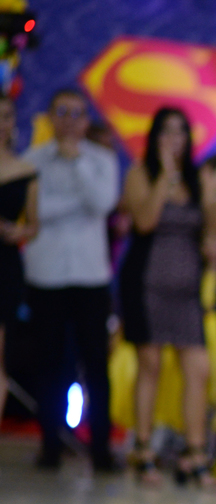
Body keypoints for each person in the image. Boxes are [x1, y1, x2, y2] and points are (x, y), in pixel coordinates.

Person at [119, 107, 216, 486]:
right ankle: (143, 448)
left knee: (198, 368)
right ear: (154, 136)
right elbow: (144, 221)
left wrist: (214, 192)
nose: (174, 139)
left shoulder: (197, 178)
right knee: (149, 364)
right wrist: (165, 176)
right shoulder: (140, 173)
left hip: (186, 289)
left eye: (181, 132)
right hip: (147, 283)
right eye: (166, 131)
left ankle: (194, 453)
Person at [23, 88, 120, 472]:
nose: (69, 120)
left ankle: (101, 449)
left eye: (77, 113)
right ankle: (50, 445)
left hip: (90, 276)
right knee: (48, 363)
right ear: (50, 117)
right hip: (45, 275)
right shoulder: (32, 160)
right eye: (61, 112)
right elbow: (35, 211)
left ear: (86, 120)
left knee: (96, 364)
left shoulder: (102, 159)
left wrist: (75, 163)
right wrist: (76, 204)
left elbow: (102, 203)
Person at [0, 93, 38, 423]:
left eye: (7, 116)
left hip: (5, 266)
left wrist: (18, 231)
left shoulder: (26, 171)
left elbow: (34, 225)